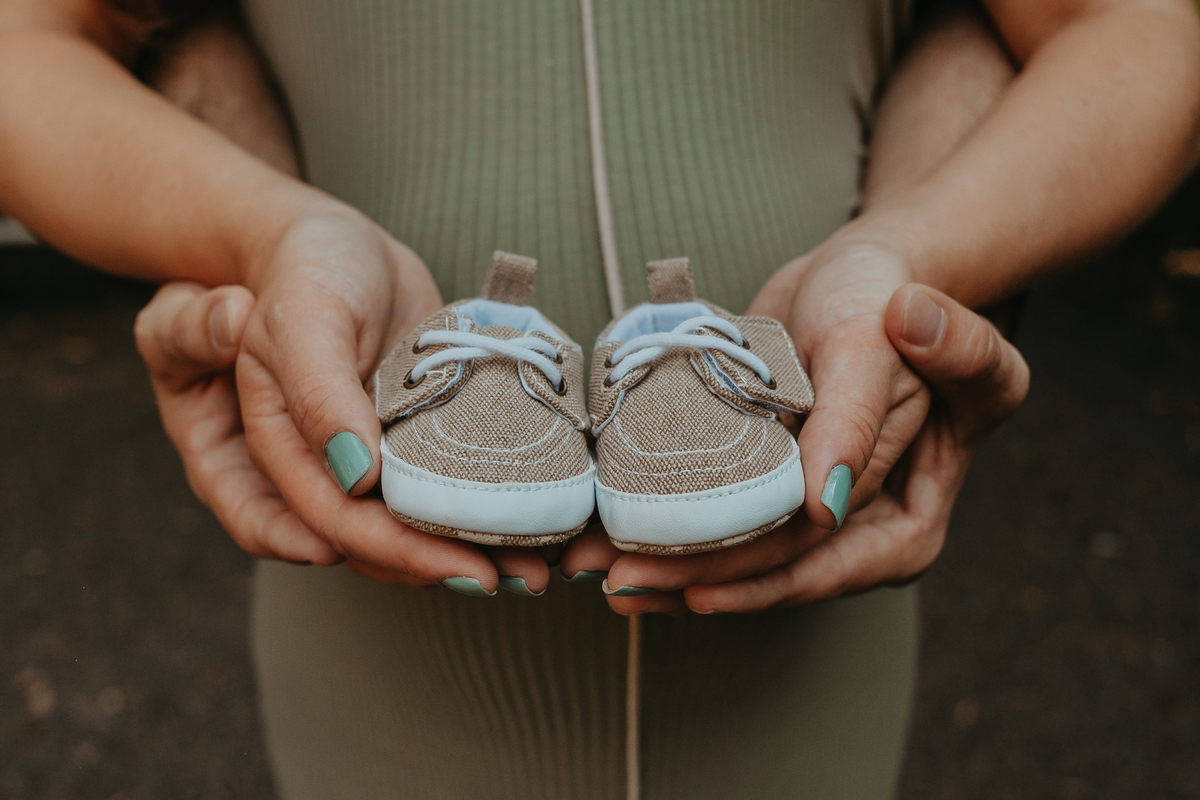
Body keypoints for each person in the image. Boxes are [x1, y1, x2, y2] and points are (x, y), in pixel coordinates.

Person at [1, 0, 1197, 796]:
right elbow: (30, 40)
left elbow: (1132, 22)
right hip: (377, 669)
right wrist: (263, 234)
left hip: (803, 668)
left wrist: (921, 253)